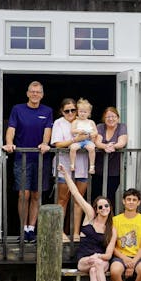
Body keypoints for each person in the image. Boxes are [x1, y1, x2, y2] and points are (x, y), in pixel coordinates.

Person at [59, 163, 115, 281]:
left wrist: (98, 256)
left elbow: (108, 255)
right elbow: (76, 194)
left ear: (110, 208)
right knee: (92, 265)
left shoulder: (112, 228)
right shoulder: (90, 217)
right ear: (96, 209)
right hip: (84, 259)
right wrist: (65, 175)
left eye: (106, 206)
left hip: (101, 261)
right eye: (100, 207)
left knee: (95, 268)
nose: (104, 209)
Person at [3, 81, 52, 243]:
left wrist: (45, 143)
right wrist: (9, 143)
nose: (35, 94)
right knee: (23, 194)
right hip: (21, 158)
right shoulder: (18, 109)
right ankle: (23, 228)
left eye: (38, 92)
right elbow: (11, 129)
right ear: (27, 93)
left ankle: (32, 229)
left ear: (42, 94)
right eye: (32, 91)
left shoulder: (47, 111)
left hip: (41, 158)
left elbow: (48, 131)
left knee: (37, 194)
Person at [50, 98, 91, 241]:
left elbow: (95, 137)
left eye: (73, 110)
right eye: (67, 110)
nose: (70, 113)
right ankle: (60, 232)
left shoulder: (85, 121)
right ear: (62, 111)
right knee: (63, 199)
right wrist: (75, 140)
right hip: (64, 165)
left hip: (82, 166)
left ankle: (76, 233)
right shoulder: (58, 123)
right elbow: (57, 144)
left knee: (79, 199)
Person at [93, 106, 127, 202]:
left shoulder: (122, 127)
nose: (111, 119)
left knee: (109, 196)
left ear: (117, 117)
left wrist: (112, 147)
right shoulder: (100, 127)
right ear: (104, 118)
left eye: (113, 116)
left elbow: (122, 142)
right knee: (96, 196)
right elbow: (97, 142)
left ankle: (108, 216)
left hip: (114, 170)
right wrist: (105, 147)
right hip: (99, 169)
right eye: (108, 117)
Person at [69, 98, 97, 178]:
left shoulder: (91, 122)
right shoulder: (76, 121)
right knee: (73, 148)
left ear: (89, 113)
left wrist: (93, 134)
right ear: (78, 112)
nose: (82, 114)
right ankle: (72, 164)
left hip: (88, 141)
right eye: (81, 111)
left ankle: (92, 166)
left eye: (85, 112)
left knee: (92, 148)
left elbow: (96, 131)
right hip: (78, 141)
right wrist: (78, 131)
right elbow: (72, 130)